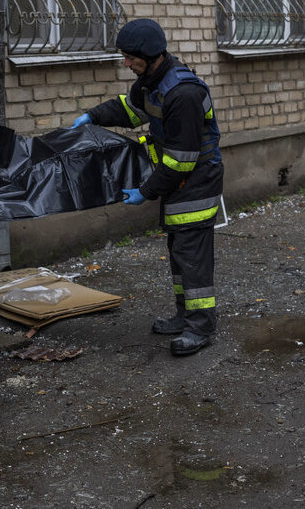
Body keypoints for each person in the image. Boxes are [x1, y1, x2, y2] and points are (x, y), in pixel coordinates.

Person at [71, 18, 223, 356]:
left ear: (149, 54)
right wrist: (92, 116)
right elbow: (130, 110)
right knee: (179, 252)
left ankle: (201, 326)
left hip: (195, 180)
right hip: (179, 180)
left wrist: (146, 191)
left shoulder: (183, 93)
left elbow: (181, 160)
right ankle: (186, 315)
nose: (126, 64)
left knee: (192, 255)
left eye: (130, 57)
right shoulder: (150, 81)